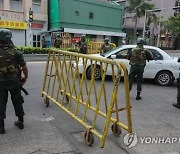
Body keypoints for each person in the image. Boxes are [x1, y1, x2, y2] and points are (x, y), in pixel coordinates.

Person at [0, 29, 28, 134]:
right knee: (17, 101)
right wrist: (25, 77)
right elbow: (24, 67)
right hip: (15, 82)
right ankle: (20, 122)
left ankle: (1, 127)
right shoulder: (16, 52)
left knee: (1, 103)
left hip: (1, 83)